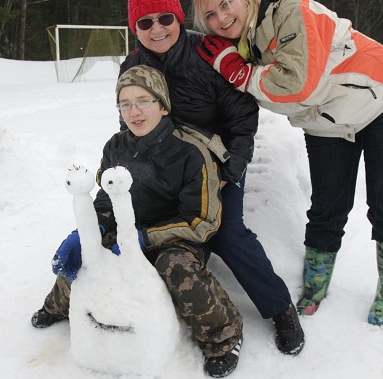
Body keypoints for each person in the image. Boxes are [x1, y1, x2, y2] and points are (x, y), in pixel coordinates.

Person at [192, 0, 383, 326]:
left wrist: (240, 72)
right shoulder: (240, 44)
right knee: (327, 207)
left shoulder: (290, 12)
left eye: (226, 4)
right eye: (210, 14)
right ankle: (316, 284)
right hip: (327, 119)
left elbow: (298, 86)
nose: (221, 18)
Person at [121, 0, 304, 355]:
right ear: (134, 28)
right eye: (145, 22)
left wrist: (229, 172)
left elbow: (242, 122)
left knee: (226, 232)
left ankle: (280, 308)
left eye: (165, 18)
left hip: (217, 161)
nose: (157, 29)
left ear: (179, 18)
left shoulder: (210, 53)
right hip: (165, 166)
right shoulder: (132, 65)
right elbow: (130, 122)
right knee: (136, 225)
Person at [32, 65, 244, 377]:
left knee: (176, 269)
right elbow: (105, 200)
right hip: (124, 232)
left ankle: (222, 336)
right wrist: (93, 229)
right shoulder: (115, 146)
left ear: (163, 105)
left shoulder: (192, 152)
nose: (134, 111)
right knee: (86, 253)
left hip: (175, 238)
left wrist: (144, 238)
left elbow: (202, 222)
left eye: (144, 101)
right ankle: (57, 305)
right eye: (125, 104)